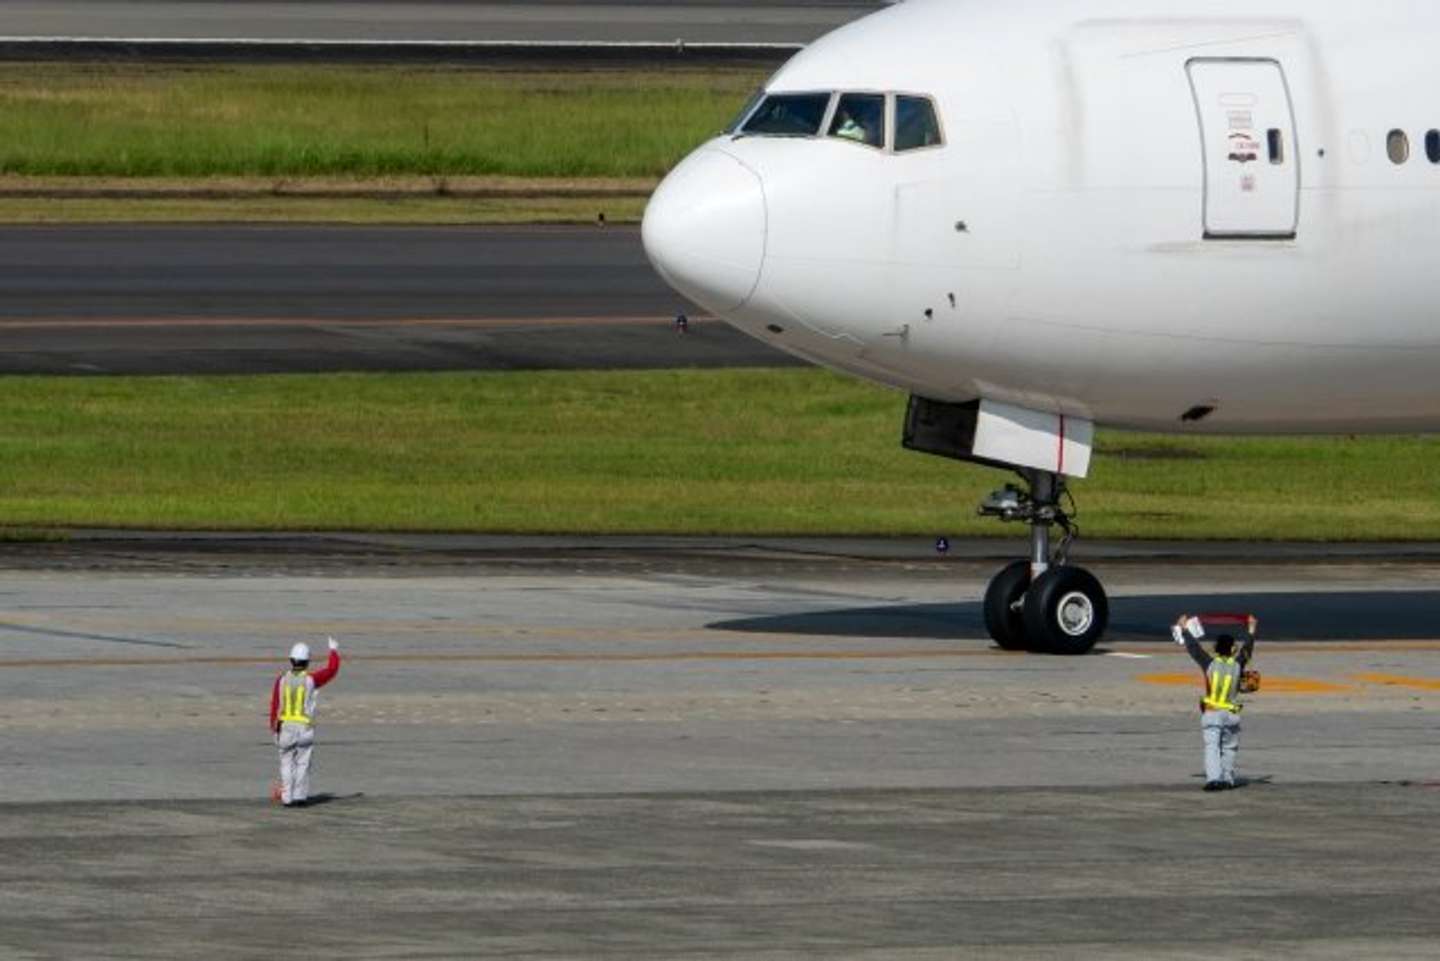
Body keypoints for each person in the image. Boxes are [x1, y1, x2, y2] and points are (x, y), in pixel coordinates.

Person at [1173, 615, 1256, 791]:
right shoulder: (1238, 664)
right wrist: (1251, 630)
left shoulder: (1209, 664)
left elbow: (1194, 649)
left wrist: (1184, 629)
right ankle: (1227, 779)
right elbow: (1247, 650)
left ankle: (1213, 779)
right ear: (1233, 649)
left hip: (1212, 713)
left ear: (1216, 649)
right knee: (1230, 748)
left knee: (1212, 747)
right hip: (1232, 715)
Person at [269, 636, 341, 807]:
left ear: (290, 660)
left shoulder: (281, 680)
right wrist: (333, 651)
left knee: (286, 763)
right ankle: (300, 797)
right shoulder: (311, 680)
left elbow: (275, 705)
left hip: (285, 728)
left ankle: (287, 798)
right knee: (303, 763)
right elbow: (331, 671)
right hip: (304, 729)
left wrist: (273, 728)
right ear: (307, 662)